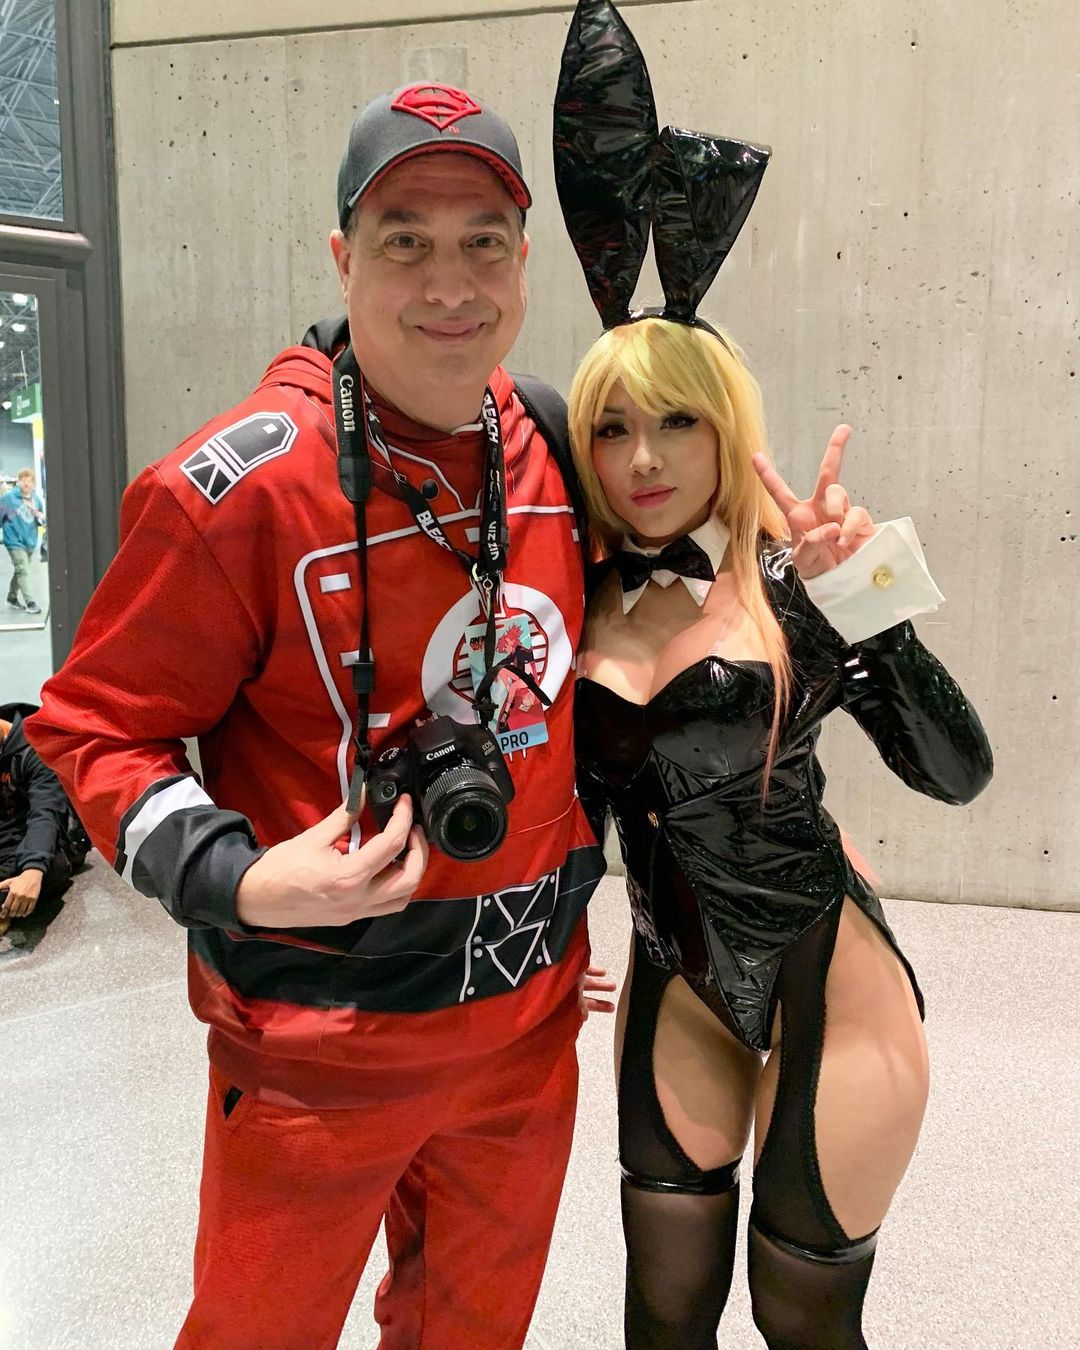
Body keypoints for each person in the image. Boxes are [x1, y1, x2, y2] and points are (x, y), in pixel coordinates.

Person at [26, 82, 609, 1349]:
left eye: (483, 241)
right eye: (405, 239)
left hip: (524, 1034)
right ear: (345, 258)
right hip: (315, 1051)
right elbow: (90, 726)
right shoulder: (233, 489)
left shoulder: (559, 447)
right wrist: (234, 876)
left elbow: (622, 677)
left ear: (525, 262)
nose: (449, 283)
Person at [555, 4, 993, 1347]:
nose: (642, 456)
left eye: (677, 420)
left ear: (729, 425)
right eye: (611, 426)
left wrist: (872, 609)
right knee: (664, 1312)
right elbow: (553, 800)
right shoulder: (561, 600)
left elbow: (960, 773)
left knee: (804, 1315)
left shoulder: (805, 584)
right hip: (672, 975)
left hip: (827, 977)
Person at [0, 702, 86, 937]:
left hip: (44, 840)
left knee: (48, 868)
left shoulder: (37, 747)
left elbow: (45, 814)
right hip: (7, 843)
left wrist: (33, 869)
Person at [2, 467, 46, 615]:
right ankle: (30, 602)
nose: (26, 483)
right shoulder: (9, 499)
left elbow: (41, 519)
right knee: (23, 569)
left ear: (33, 483)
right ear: (18, 482)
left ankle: (12, 597)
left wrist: (36, 512)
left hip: (30, 541)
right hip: (14, 541)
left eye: (29, 480)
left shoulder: (36, 500)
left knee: (20, 570)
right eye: (23, 480)